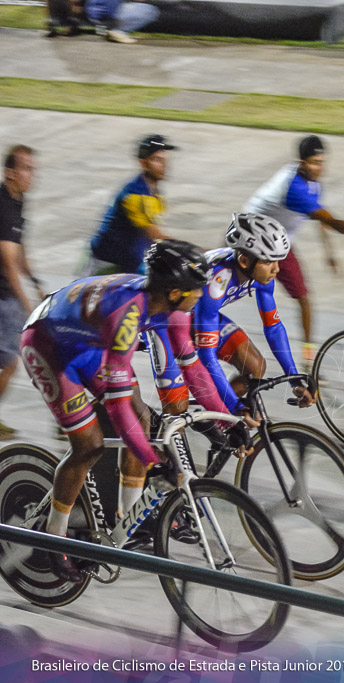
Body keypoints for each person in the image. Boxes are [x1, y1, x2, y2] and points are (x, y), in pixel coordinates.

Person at [21, 241, 241, 581]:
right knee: (90, 444)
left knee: (146, 422)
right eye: (196, 291)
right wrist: (155, 462)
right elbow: (118, 405)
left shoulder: (175, 309)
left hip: (89, 342)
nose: (201, 297)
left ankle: (128, 523)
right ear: (174, 292)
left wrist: (224, 420)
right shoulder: (127, 315)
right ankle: (53, 538)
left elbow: (192, 367)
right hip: (48, 344)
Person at [148, 213, 314, 416]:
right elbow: (207, 355)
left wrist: (294, 378)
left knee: (255, 366)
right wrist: (234, 406)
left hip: (196, 315)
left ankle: (217, 419)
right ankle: (202, 419)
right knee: (177, 409)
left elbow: (273, 327)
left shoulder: (260, 273)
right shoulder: (216, 282)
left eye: (278, 260)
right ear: (244, 261)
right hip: (166, 324)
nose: (276, 269)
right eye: (269, 262)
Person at [245, 135, 344, 372]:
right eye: (314, 162)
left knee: (305, 300)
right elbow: (335, 223)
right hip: (252, 240)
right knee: (234, 290)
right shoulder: (295, 188)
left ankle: (308, 359)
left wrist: (329, 253)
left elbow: (321, 218)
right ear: (300, 162)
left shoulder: (311, 181)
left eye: (322, 161)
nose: (319, 168)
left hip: (278, 241)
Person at [0, 146, 46, 440]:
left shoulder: (17, 201)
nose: (31, 175)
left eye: (33, 169)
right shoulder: (4, 205)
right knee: (9, 362)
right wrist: (27, 304)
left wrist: (35, 280)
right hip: (3, 295)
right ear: (10, 173)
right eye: (26, 169)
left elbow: (19, 248)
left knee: (7, 361)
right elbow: (7, 260)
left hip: (6, 293)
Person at [88, 134, 175, 276]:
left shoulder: (153, 191)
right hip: (107, 264)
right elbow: (155, 236)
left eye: (165, 160)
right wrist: (193, 249)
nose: (164, 165)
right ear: (143, 164)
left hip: (129, 263)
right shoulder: (135, 196)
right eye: (157, 160)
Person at [84, 0, 158, 43]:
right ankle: (119, 31)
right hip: (110, 15)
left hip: (92, 18)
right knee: (151, 10)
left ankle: (103, 30)